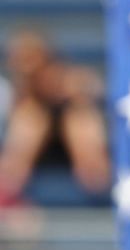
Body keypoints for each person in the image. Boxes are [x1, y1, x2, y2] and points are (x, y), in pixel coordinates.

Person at [0, 29, 112, 206]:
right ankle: (8, 187)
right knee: (31, 119)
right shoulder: (22, 102)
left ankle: (95, 176)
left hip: (72, 141)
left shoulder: (74, 83)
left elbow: (96, 89)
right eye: (20, 61)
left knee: (80, 116)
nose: (26, 68)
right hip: (36, 146)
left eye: (31, 60)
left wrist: (79, 92)